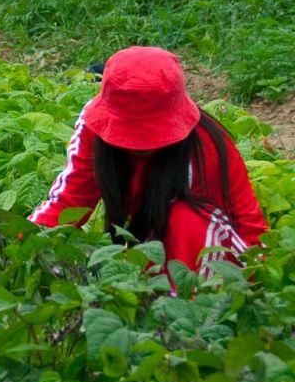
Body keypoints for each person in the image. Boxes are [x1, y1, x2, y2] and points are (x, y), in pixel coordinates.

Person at [30, 46, 267, 275]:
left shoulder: (206, 146)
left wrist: (251, 290)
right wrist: (22, 243)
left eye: (148, 131)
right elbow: (68, 204)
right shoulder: (95, 128)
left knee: (183, 220)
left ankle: (178, 306)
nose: (138, 144)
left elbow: (251, 231)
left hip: (211, 264)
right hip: (152, 249)